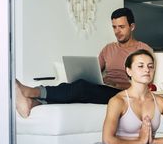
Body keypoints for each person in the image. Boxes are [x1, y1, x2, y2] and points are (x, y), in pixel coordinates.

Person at [15, 8, 153, 118]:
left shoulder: (142, 49)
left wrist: (118, 84)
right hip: (105, 89)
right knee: (77, 88)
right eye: (114, 27)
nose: (117, 31)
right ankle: (33, 103)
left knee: (81, 88)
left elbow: (146, 83)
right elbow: (94, 71)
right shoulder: (108, 48)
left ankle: (31, 91)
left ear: (132, 26)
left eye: (121, 27)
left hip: (124, 94)